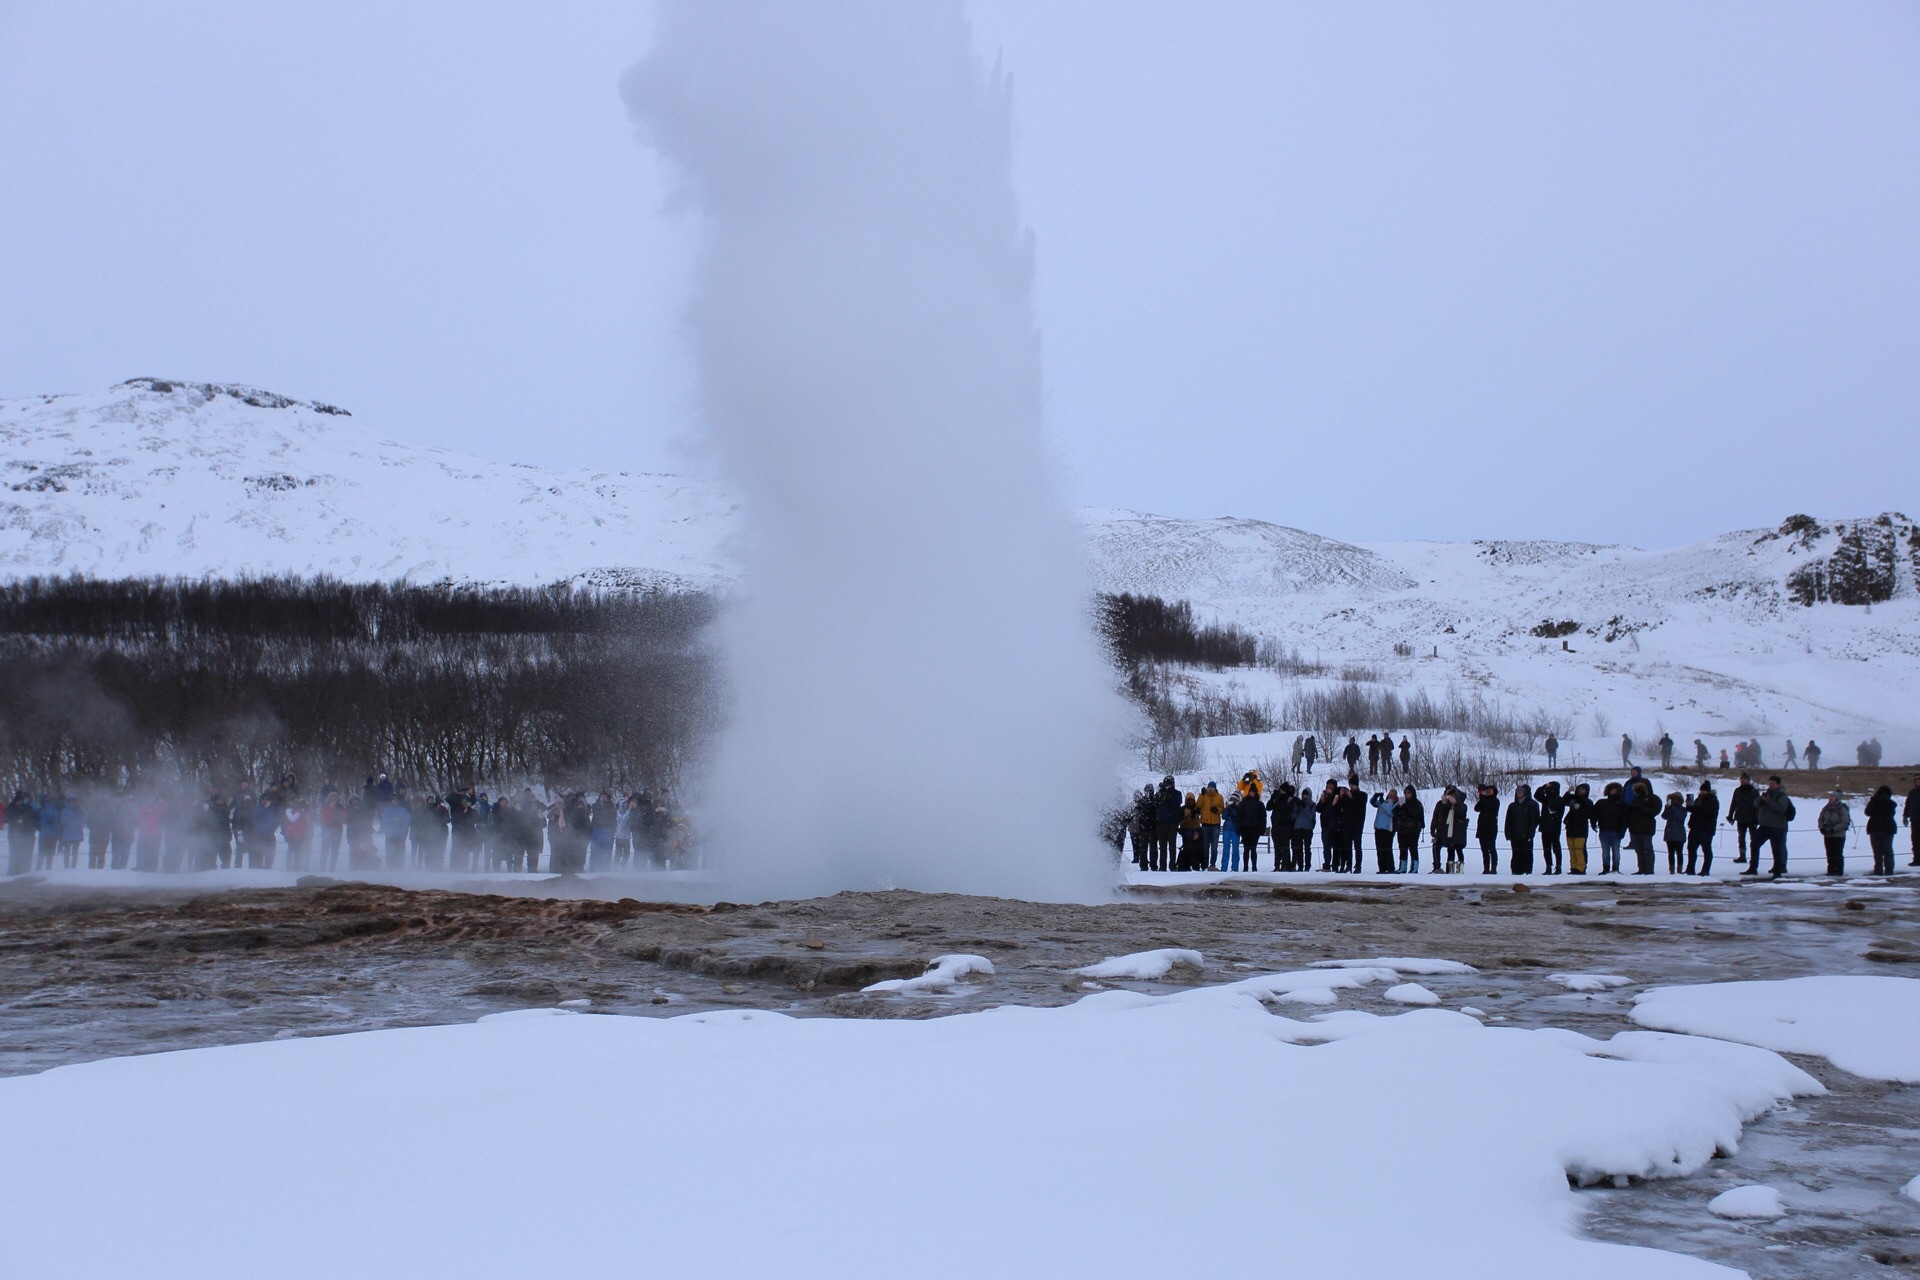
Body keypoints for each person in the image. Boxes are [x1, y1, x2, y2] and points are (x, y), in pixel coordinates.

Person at [1751, 776, 1796, 879]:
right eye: (1770, 783)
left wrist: (1768, 801)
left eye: (1773, 783)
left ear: (1778, 785)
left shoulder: (1782, 797)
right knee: (1754, 844)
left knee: (1776, 849)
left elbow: (1780, 809)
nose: (1771, 785)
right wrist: (1762, 799)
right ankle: (1753, 868)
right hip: (1764, 826)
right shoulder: (1767, 794)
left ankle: (1777, 871)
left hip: (1777, 827)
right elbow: (1755, 804)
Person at [1627, 780, 1661, 875]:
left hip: (1647, 827)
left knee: (1647, 848)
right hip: (1635, 827)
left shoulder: (1654, 799)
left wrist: (1642, 809)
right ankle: (1641, 868)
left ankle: (1649, 869)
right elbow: (1631, 812)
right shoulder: (1636, 799)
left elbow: (1654, 811)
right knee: (1639, 849)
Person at [1593, 783, 1628, 875]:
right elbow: (1594, 814)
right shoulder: (1601, 803)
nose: (1613, 791)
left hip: (1616, 832)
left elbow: (1624, 819)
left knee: (1616, 851)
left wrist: (1622, 831)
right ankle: (1606, 868)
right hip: (1604, 831)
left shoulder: (1622, 804)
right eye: (1611, 789)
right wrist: (1593, 823)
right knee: (1605, 852)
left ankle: (1615, 868)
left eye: (1615, 789)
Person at [1504, 784, 1539, 875]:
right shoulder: (1512, 806)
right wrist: (1508, 834)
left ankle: (1527, 871)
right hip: (1515, 835)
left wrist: (1531, 834)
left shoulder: (1533, 804)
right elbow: (1508, 821)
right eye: (1517, 792)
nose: (1518, 794)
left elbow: (1534, 821)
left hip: (1526, 835)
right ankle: (1515, 871)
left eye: (1520, 792)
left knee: (1527, 854)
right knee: (1516, 854)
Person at [1686, 780, 1719, 875]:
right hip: (1695, 827)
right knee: (1691, 848)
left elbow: (1707, 812)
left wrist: (1695, 808)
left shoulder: (1713, 800)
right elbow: (1695, 811)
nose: (1702, 792)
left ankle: (1705, 870)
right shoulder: (1698, 800)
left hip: (1706, 828)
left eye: (1704, 790)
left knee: (1706, 849)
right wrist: (1689, 806)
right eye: (1701, 790)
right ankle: (1690, 869)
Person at [1817, 789, 1852, 877]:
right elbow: (1821, 819)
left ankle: (1839, 871)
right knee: (1829, 853)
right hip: (1828, 834)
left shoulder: (1842, 809)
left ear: (1837, 798)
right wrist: (1822, 828)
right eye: (1830, 797)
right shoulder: (1826, 808)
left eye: (1832, 797)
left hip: (1839, 834)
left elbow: (1844, 821)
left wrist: (1834, 829)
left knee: (1837, 853)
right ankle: (1831, 870)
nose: (1830, 799)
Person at [1727, 773, 1759, 868]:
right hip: (1740, 817)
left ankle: (1754, 857)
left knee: (1753, 839)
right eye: (1741, 779)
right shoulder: (1737, 791)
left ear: (1748, 780)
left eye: (1744, 779)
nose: (1742, 781)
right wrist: (1730, 815)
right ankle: (1742, 856)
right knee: (1741, 838)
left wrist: (1757, 818)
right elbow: (1733, 804)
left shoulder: (1754, 791)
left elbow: (1758, 805)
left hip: (1752, 818)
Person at [1865, 784, 1898, 877]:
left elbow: (1868, 812)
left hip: (1878, 828)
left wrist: (1877, 801)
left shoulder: (1883, 802)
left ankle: (1880, 870)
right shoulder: (1885, 802)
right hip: (1885, 828)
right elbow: (1868, 812)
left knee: (1879, 851)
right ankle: (1888, 870)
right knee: (1886, 851)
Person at [1563, 782, 1594, 876]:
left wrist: (1575, 796)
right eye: (1579, 789)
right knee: (1572, 850)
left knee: (1579, 850)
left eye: (1582, 789)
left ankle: (1581, 868)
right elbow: (1564, 801)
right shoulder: (1573, 800)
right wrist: (1568, 792)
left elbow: (1585, 809)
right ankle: (1573, 867)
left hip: (1581, 830)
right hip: (1570, 829)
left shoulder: (1588, 802)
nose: (1580, 791)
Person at [1152, 776, 1181, 873]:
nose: (1167, 785)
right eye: (1166, 783)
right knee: (1162, 846)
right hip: (1160, 823)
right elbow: (1154, 804)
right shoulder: (1160, 793)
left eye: (1168, 783)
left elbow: (1176, 806)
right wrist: (1160, 792)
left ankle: (1172, 865)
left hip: (1172, 823)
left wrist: (1168, 794)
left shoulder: (1177, 794)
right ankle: (1162, 866)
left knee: (1172, 846)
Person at [1234, 787, 1267, 872]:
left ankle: (1254, 867)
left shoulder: (1260, 804)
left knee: (1253, 849)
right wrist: (1238, 827)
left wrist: (1262, 828)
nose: (1252, 794)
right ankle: (1245, 867)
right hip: (1245, 828)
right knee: (1246, 849)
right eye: (1251, 792)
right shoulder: (1243, 803)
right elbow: (1239, 816)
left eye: (1253, 792)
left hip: (1255, 829)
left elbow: (1263, 817)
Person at [1393, 785, 1424, 873]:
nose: (1407, 794)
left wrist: (1406, 808)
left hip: (1413, 830)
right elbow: (1394, 813)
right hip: (1402, 829)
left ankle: (1414, 867)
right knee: (1402, 848)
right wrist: (1398, 806)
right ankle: (1402, 866)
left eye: (1408, 792)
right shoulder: (1402, 803)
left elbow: (1417, 814)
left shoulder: (1417, 804)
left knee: (1413, 848)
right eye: (1405, 793)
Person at [1536, 781, 1565, 874]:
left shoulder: (1560, 799)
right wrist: (1544, 786)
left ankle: (1558, 866)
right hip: (1545, 827)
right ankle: (1548, 866)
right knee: (1546, 848)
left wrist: (1554, 817)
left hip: (1555, 827)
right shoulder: (1545, 799)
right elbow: (1536, 795)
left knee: (1556, 848)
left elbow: (1560, 813)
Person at [1473, 784, 1501, 875]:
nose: (1488, 792)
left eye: (1490, 790)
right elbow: (1476, 808)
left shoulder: (1495, 801)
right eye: (1487, 790)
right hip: (1482, 827)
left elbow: (1489, 806)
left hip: (1491, 827)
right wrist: (1482, 797)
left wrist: (1482, 796)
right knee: (1484, 849)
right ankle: (1486, 868)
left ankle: (1493, 868)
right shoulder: (1483, 800)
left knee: (1491, 848)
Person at [1198, 781, 1227, 870]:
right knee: (1205, 846)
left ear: (1215, 788)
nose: (1210, 788)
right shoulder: (1204, 796)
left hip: (1215, 825)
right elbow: (1198, 805)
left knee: (1214, 847)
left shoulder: (1219, 797)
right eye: (1209, 787)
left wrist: (1217, 810)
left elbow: (1222, 809)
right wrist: (1202, 795)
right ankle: (1205, 864)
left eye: (1212, 787)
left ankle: (1213, 864)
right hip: (1205, 824)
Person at [1369, 789, 1398, 874]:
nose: (1390, 795)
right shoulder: (1383, 802)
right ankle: (1382, 868)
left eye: (1392, 794)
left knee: (1387, 849)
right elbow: (1373, 803)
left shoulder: (1395, 804)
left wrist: (1383, 803)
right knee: (1380, 849)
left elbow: (1391, 812)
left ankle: (1390, 868)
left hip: (1388, 829)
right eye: (1389, 794)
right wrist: (1375, 796)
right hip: (1378, 828)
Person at [1289, 783, 1317, 871]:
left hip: (1307, 829)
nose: (1305, 796)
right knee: (1298, 848)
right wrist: (1297, 807)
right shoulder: (1299, 803)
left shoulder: (1312, 805)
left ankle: (1307, 865)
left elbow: (1311, 816)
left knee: (1307, 848)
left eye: (1306, 795)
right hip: (1298, 828)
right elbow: (1293, 816)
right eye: (1303, 795)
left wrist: (1305, 808)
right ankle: (1300, 865)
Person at [1661, 792, 1688, 874]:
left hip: (1678, 831)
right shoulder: (1670, 808)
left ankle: (1679, 869)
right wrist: (1667, 808)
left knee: (1679, 852)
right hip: (1670, 831)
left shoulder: (1682, 809)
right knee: (1671, 852)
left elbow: (1680, 817)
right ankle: (1672, 868)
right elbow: (1664, 816)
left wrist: (1672, 809)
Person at [1906, 775, 1920, 868]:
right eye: (1917, 780)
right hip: (1915, 820)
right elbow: (1908, 804)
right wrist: (1905, 815)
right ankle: (1917, 859)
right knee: (1915, 841)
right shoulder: (1912, 792)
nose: (1918, 782)